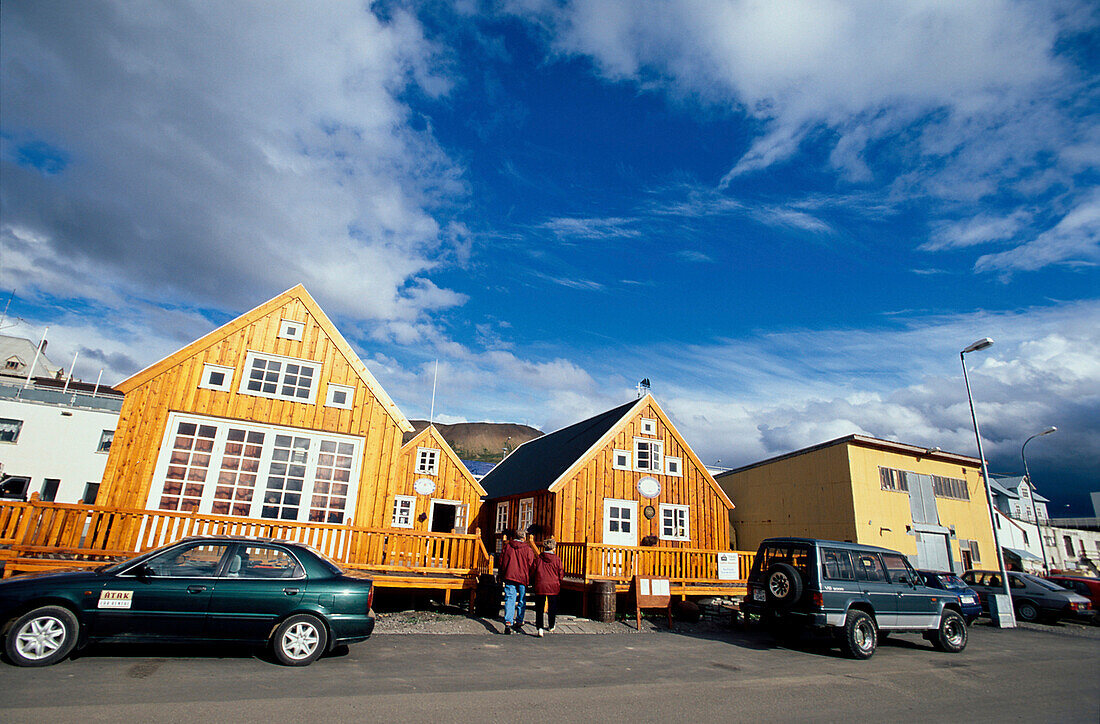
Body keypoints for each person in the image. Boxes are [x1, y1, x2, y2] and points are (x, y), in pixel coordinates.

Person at [499, 527, 536, 634]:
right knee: (522, 599)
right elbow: (531, 564)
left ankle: (508, 621)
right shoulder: (528, 549)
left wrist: (501, 574)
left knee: (509, 598)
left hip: (509, 575)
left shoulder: (508, 547)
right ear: (524, 537)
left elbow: (502, 561)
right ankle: (519, 620)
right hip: (523, 577)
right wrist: (531, 576)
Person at [531, 537, 564, 637]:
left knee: (539, 608)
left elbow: (533, 570)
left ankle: (540, 628)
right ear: (554, 548)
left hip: (540, 584)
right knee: (552, 607)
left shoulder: (539, 559)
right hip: (553, 585)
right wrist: (559, 581)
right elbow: (560, 572)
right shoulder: (557, 559)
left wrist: (533, 581)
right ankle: (551, 625)